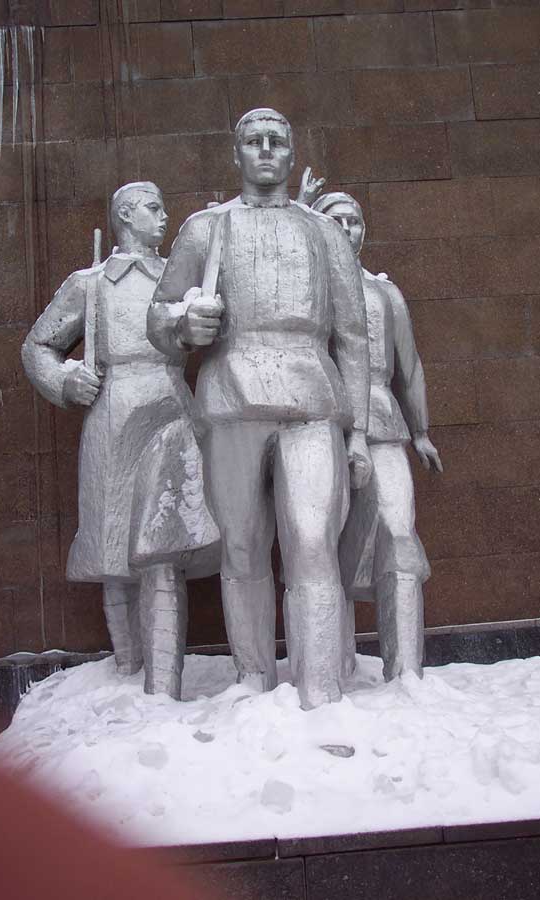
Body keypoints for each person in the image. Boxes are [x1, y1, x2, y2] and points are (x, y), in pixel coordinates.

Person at [148, 109, 372, 710]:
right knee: (243, 546)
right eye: (254, 141)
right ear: (237, 153)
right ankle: (253, 676)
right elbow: (160, 315)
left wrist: (358, 432)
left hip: (312, 399)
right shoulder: (206, 228)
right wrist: (184, 325)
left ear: (292, 154)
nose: (266, 150)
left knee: (312, 543)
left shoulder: (323, 233)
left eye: (277, 141)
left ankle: (320, 686)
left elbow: (353, 337)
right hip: (231, 398)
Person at [22, 182, 219, 700]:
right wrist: (66, 380)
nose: (164, 217)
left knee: (163, 543)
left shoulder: (179, 280)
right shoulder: (89, 284)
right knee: (112, 546)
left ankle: (162, 684)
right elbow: (37, 346)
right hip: (112, 415)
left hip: (170, 408)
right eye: (153, 208)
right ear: (126, 215)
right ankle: (129, 669)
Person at [310, 190, 442, 681]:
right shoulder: (305, 289)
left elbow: (410, 365)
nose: (347, 230)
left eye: (354, 221)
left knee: (399, 536)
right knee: (319, 546)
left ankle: (406, 671)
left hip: (384, 422)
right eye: (335, 221)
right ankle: (332, 668)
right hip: (320, 423)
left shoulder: (385, 294)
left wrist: (421, 430)